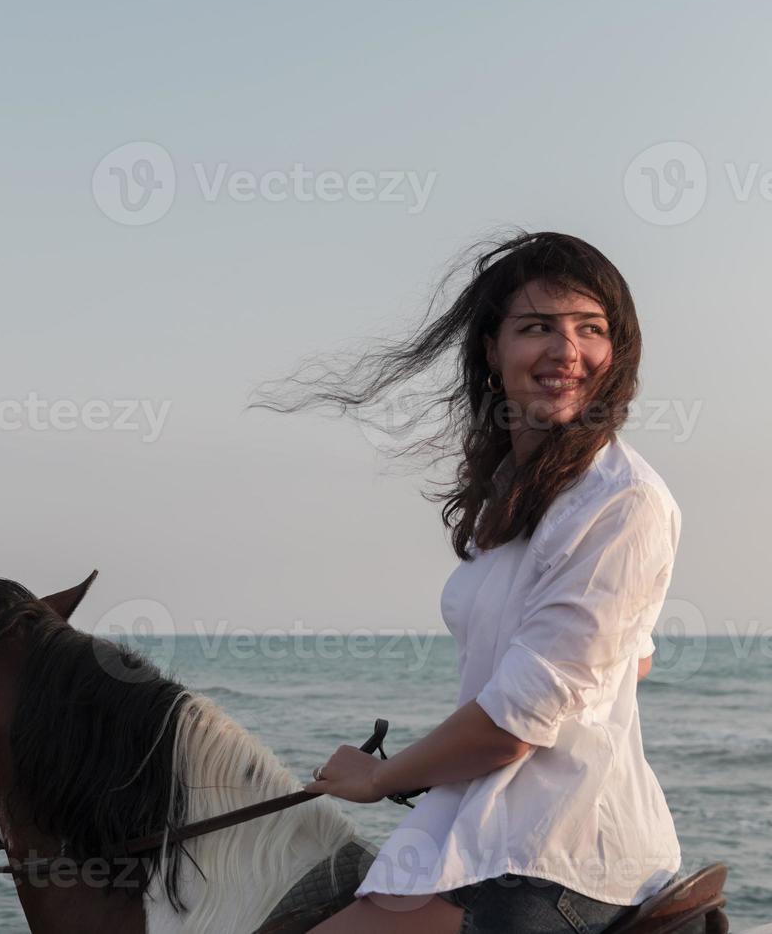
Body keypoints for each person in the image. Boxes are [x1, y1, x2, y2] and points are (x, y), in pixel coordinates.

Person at [289, 232, 684, 934]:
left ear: (616, 353)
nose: (566, 351)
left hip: (557, 855)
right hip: (477, 824)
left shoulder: (621, 503)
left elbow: (515, 724)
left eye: (590, 329)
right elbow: (632, 655)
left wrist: (380, 777)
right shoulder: (514, 496)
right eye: (537, 328)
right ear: (492, 354)